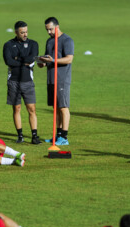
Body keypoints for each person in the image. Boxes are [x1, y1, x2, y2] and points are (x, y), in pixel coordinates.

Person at [3, 21, 41, 144]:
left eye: (26, 32)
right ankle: (20, 136)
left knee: (32, 109)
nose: (25, 34)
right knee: (17, 109)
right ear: (16, 32)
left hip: (27, 81)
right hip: (13, 81)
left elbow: (32, 58)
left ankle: (34, 136)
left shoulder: (33, 44)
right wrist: (22, 61)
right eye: (22, 32)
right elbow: (8, 61)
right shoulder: (8, 45)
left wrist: (17, 59)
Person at [38, 17, 74, 146]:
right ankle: (57, 135)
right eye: (47, 30)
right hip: (51, 78)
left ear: (57, 27)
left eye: (51, 29)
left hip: (62, 79)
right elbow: (49, 58)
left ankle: (64, 137)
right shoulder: (49, 41)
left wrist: (52, 61)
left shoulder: (67, 40)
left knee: (63, 107)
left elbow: (69, 59)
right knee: (56, 107)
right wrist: (42, 63)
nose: (49, 32)